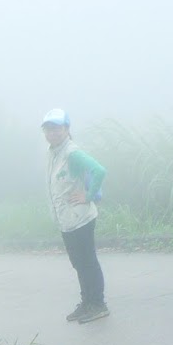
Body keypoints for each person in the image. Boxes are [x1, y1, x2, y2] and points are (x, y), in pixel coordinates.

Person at [41, 109, 108, 324]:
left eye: (57, 128)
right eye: (48, 129)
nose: (52, 133)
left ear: (67, 129)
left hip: (81, 218)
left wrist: (88, 196)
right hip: (67, 220)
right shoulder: (53, 152)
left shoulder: (71, 153)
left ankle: (98, 305)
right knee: (78, 263)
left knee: (87, 262)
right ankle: (87, 303)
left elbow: (99, 170)